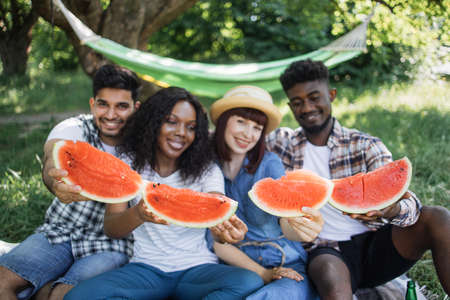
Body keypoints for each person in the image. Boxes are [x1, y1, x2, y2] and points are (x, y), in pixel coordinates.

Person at [266, 59, 450, 299]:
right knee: (334, 286)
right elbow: (238, 136)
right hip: (326, 249)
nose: (307, 107)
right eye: (298, 102)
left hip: (379, 243)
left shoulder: (365, 145)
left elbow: (408, 203)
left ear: (331, 95)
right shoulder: (282, 142)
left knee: (438, 217)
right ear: (290, 107)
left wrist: (390, 210)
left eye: (314, 97)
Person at [64, 87, 264, 300]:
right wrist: (139, 214)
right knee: (78, 297)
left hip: (197, 269)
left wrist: (226, 233)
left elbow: (216, 215)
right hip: (146, 269)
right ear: (153, 122)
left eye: (191, 127)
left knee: (249, 282)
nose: (181, 132)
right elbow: (112, 227)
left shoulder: (207, 170)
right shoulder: (128, 165)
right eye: (171, 121)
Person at [0, 64, 141, 300]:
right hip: (59, 232)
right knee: (2, 282)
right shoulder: (75, 128)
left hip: (111, 244)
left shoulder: (142, 143)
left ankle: (46, 288)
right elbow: (52, 154)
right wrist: (54, 182)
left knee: (62, 296)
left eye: (122, 106)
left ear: (136, 108)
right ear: (92, 104)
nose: (111, 114)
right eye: (103, 104)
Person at [209, 85, 322, 299]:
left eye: (256, 127)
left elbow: (287, 222)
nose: (247, 134)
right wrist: (261, 273)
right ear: (224, 121)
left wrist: (303, 227)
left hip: (284, 264)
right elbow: (214, 242)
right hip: (236, 268)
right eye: (241, 122)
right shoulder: (206, 169)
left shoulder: (269, 164)